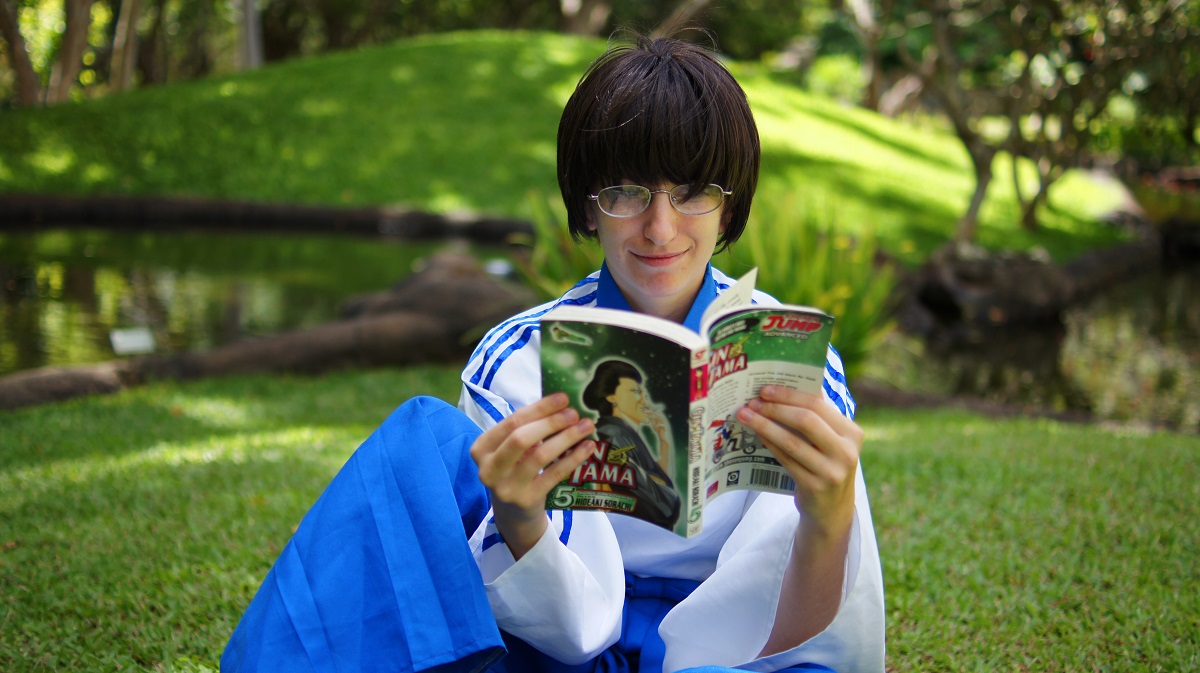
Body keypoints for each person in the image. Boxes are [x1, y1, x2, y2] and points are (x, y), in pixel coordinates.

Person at [223, 33, 884, 673]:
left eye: (691, 191)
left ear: (727, 206)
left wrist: (828, 516)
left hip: (726, 646)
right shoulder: (516, 358)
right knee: (421, 438)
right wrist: (517, 515)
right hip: (552, 645)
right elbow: (538, 619)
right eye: (625, 192)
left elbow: (797, 636)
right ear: (589, 208)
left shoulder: (786, 357)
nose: (660, 229)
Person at [580, 359, 681, 530]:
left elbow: (661, 485)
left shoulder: (625, 435)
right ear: (611, 397)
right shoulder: (615, 436)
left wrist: (665, 443)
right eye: (635, 391)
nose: (644, 400)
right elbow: (664, 504)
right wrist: (660, 488)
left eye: (644, 393)